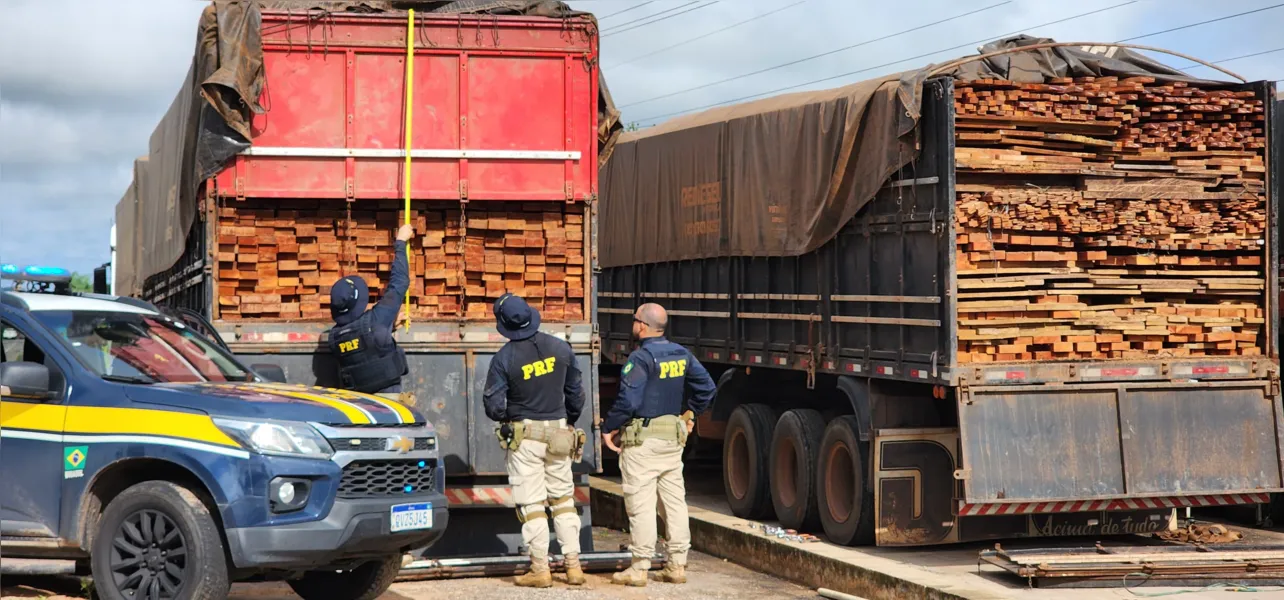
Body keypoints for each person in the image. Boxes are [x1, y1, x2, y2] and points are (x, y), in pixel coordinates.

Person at [602, 303, 715, 587]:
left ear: (642, 325)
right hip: (671, 441)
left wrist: (609, 426)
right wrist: (689, 415)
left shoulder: (640, 359)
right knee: (674, 502)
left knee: (641, 503)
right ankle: (677, 565)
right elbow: (707, 388)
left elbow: (629, 401)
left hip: (643, 442)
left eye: (634, 319)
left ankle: (639, 568)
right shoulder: (681, 353)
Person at [483, 293, 586, 588]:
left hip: (525, 437)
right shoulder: (561, 348)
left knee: (532, 503)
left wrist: (508, 418)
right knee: (564, 499)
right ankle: (574, 567)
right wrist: (569, 420)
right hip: (560, 435)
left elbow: (493, 404)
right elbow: (576, 393)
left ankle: (540, 570)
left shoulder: (505, 357)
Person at [326, 223, 414, 399]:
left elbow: (364, 349)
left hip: (357, 406)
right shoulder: (376, 321)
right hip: (389, 404)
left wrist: (389, 328)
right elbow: (399, 283)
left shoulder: (334, 338)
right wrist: (400, 241)